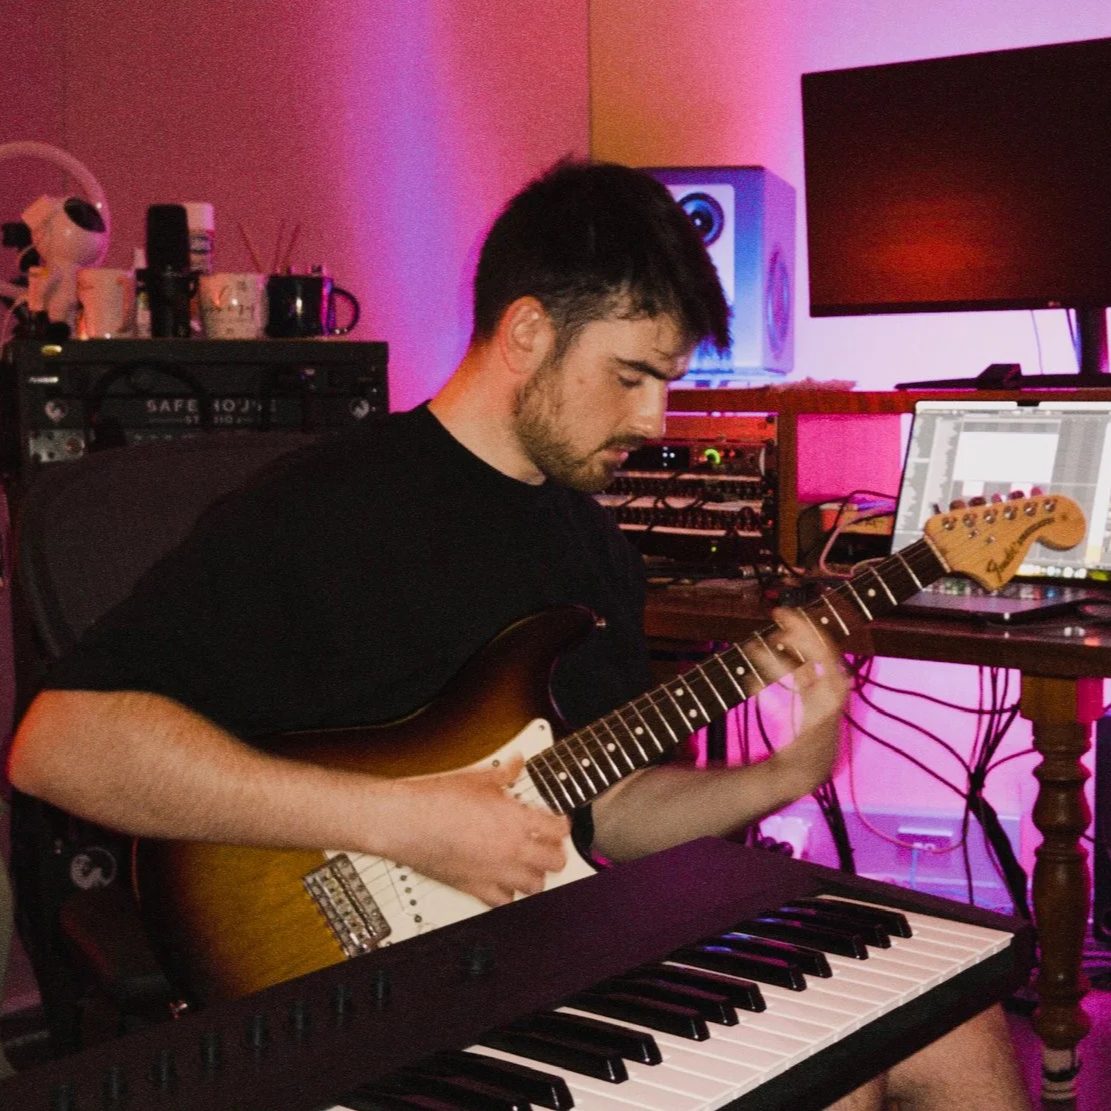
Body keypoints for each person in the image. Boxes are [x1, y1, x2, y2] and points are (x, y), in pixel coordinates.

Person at [6, 159, 1028, 1109]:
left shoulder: (591, 548)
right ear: (529, 332)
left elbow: (606, 811)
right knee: (829, 1077)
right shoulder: (325, 509)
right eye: (630, 375)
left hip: (543, 960)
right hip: (368, 1000)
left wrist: (781, 772)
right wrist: (405, 821)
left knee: (955, 1024)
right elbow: (59, 748)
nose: (654, 419)